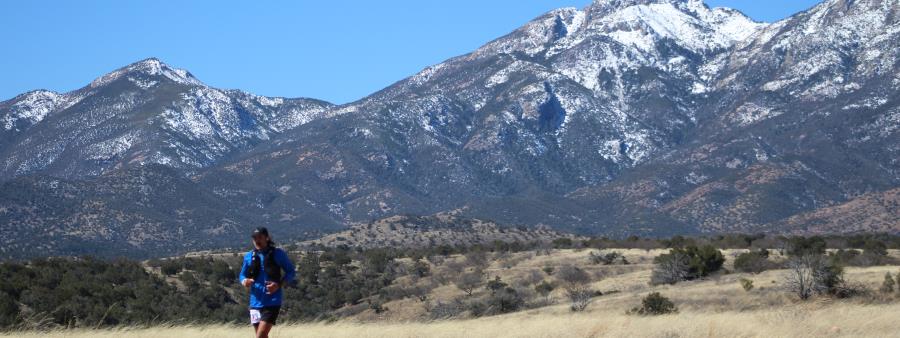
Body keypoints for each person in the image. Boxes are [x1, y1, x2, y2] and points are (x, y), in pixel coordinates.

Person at [239, 227, 296, 338]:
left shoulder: (278, 254)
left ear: (267, 238)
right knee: (261, 336)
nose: (257, 241)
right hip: (255, 303)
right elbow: (241, 275)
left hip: (272, 302)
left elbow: (291, 272)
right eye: (255, 238)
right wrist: (244, 281)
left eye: (260, 237)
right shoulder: (249, 257)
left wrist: (279, 285)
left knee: (261, 335)